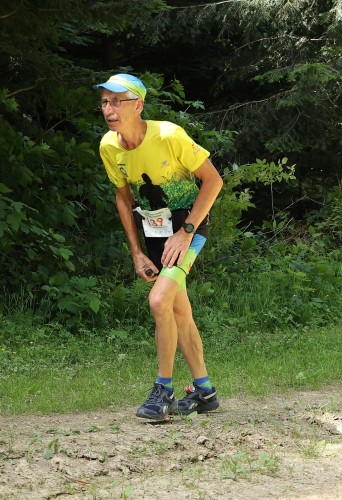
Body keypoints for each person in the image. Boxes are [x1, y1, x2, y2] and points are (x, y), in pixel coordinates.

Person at [94, 73, 223, 418]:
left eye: (117, 101)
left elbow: (213, 180)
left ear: (138, 105)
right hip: (154, 232)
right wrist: (136, 252)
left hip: (190, 226)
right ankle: (205, 391)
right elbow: (123, 199)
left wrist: (186, 231)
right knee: (178, 310)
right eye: (105, 101)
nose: (109, 108)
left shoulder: (169, 134)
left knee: (158, 299)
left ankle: (163, 390)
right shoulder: (109, 146)